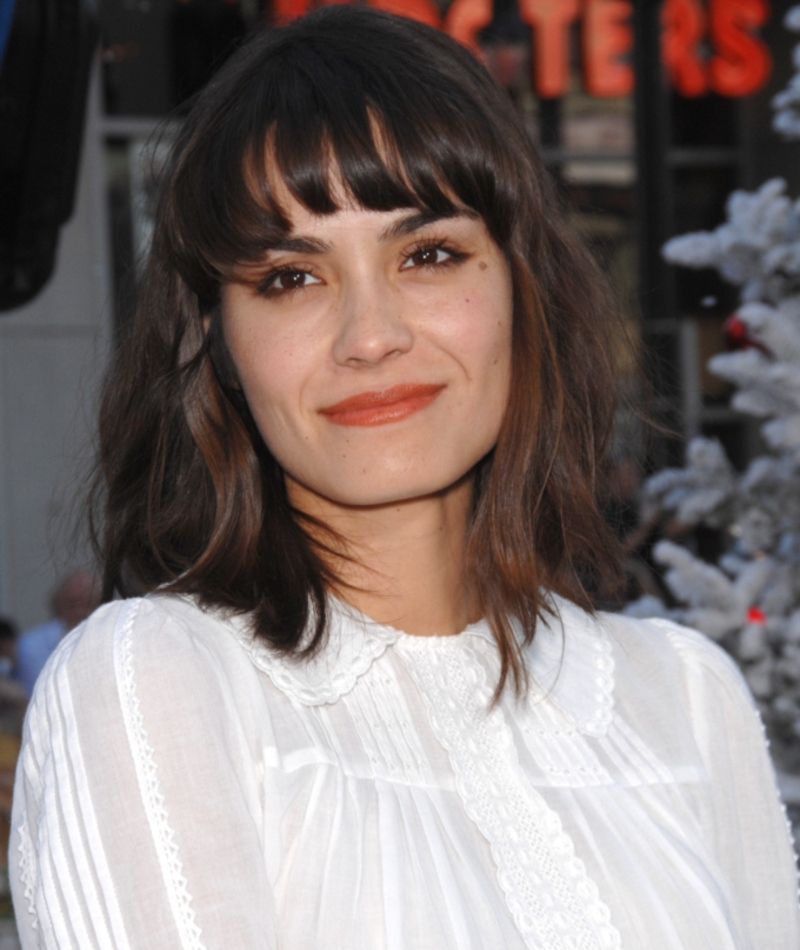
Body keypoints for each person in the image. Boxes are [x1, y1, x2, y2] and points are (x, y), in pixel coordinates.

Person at [9, 7, 800, 948]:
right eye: (289, 278)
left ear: (519, 292)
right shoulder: (158, 684)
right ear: (218, 345)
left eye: (428, 255)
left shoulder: (689, 699)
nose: (371, 336)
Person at [14, 571, 99, 697]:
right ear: (58, 605)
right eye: (72, 604)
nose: (80, 612)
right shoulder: (31, 644)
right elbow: (35, 694)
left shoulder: (117, 640)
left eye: (89, 604)